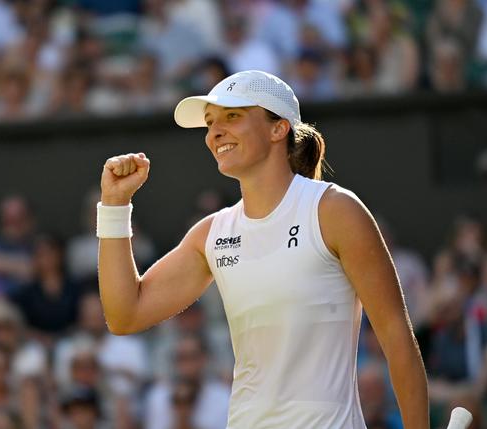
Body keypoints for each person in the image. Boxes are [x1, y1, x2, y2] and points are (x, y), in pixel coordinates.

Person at [97, 70, 429, 428]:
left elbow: (397, 337)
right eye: (210, 122)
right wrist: (114, 205)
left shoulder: (336, 211)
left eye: (232, 116)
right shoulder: (211, 233)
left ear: (278, 128)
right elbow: (124, 315)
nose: (214, 132)